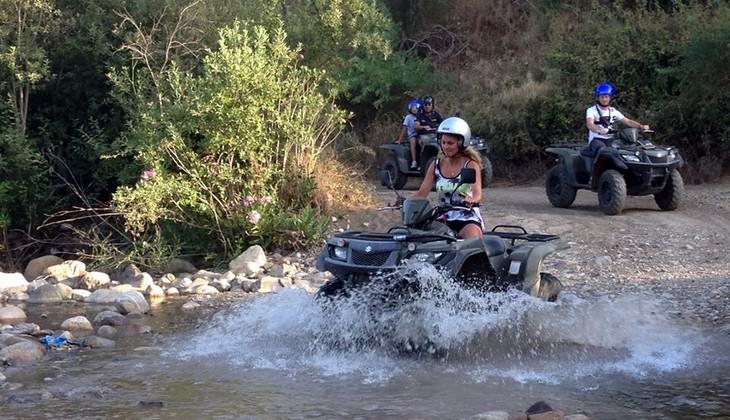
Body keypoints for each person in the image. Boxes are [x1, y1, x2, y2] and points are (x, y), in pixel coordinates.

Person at [412, 117, 484, 239]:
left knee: (473, 242)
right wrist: (404, 201)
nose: (445, 146)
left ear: (461, 143)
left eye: (450, 143)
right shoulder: (436, 165)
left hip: (466, 217)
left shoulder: (471, 164)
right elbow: (422, 193)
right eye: (443, 142)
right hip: (442, 218)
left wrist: (472, 199)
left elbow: (477, 193)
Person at [586, 82, 650, 154]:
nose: (604, 99)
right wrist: (600, 130)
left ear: (610, 97)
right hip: (596, 140)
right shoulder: (591, 110)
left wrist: (641, 126)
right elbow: (590, 124)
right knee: (604, 151)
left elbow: (627, 121)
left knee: (627, 150)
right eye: (602, 97)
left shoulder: (613, 111)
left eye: (606, 97)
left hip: (611, 140)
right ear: (598, 98)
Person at [395, 98, 422, 170]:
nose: (414, 109)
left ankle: (422, 163)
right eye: (413, 107)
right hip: (412, 135)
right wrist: (399, 140)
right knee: (413, 142)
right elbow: (404, 129)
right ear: (410, 108)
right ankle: (414, 161)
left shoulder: (421, 116)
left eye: (416, 107)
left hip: (420, 135)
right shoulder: (408, 117)